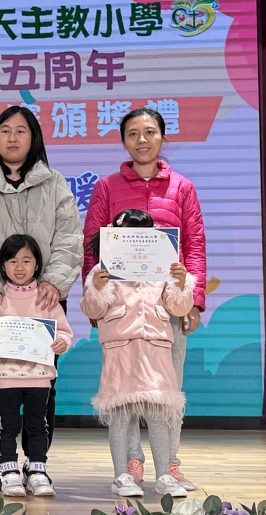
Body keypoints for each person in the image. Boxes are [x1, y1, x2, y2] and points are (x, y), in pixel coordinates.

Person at [0, 106, 82, 488]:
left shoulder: (54, 183)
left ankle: (37, 462)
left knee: (43, 383)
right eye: (5, 130)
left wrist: (53, 281)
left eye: (21, 130)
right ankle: (0, 460)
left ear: (33, 138)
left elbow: (69, 236)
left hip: (44, 299)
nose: (12, 137)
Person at [81, 107, 206, 492]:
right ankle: (131, 461)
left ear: (163, 137)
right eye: (133, 133)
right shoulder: (107, 187)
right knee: (124, 390)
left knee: (167, 388)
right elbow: (92, 245)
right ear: (124, 141)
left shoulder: (182, 187)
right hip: (119, 307)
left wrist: (194, 297)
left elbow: (194, 245)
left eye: (150, 132)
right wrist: (93, 291)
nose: (142, 139)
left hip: (165, 303)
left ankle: (170, 464)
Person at [80, 209, 193, 499]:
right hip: (120, 347)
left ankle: (164, 475)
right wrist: (97, 288)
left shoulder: (165, 267)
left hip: (155, 346)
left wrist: (182, 284)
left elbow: (179, 308)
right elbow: (92, 309)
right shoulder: (102, 271)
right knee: (120, 413)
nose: (137, 240)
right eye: (129, 234)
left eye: (144, 234)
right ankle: (121, 475)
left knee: (157, 413)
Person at [0, 235, 72, 498]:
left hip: (39, 377)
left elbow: (64, 331)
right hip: (6, 378)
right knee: (8, 427)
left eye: (27, 260)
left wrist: (62, 341)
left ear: (37, 264)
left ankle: (37, 470)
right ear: (2, 266)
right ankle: (8, 471)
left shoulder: (47, 298)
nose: (19, 267)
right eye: (12, 261)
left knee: (38, 426)